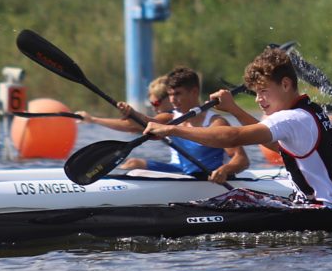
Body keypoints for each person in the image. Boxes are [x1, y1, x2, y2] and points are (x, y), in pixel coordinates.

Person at [145, 47, 332, 207]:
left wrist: (171, 129)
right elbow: (274, 145)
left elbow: (232, 137)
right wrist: (235, 109)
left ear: (286, 84)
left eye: (263, 91)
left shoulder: (290, 119)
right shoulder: (310, 110)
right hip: (331, 207)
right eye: (256, 93)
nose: (258, 100)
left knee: (234, 200)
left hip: (321, 211)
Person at [78, 67, 249, 185]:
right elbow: (140, 124)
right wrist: (132, 113)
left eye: (178, 94)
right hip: (186, 176)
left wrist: (225, 170)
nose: (173, 100)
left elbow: (242, 160)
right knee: (135, 170)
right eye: (170, 94)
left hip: (209, 181)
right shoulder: (171, 117)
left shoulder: (215, 123)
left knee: (137, 172)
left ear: (194, 92)